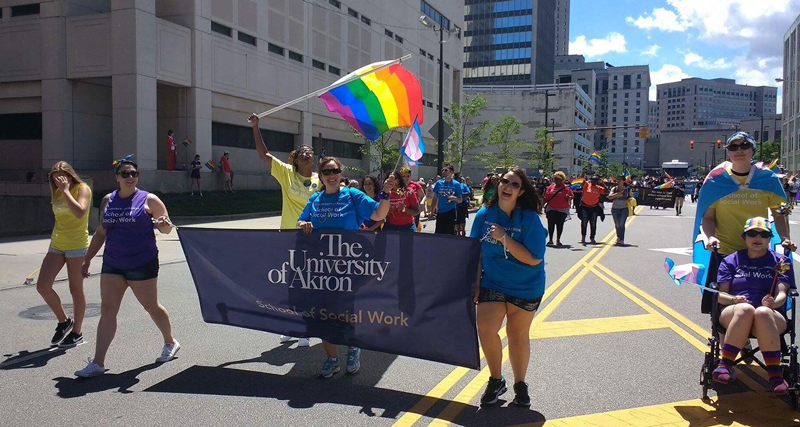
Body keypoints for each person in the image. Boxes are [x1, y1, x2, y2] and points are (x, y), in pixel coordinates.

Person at [76, 157, 179, 377]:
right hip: (113, 262)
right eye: (125, 174)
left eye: (134, 173)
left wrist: (163, 224)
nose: (131, 177)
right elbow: (102, 232)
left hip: (141, 263)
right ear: (117, 178)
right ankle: (98, 363)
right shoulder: (108, 201)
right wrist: (87, 259)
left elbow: (166, 229)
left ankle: (170, 342)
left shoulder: (149, 200)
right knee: (107, 310)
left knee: (151, 307)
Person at [297, 156, 394, 378]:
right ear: (320, 176)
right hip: (319, 268)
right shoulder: (315, 199)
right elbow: (300, 222)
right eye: (327, 172)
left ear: (341, 174)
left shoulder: (352, 196)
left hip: (346, 268)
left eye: (335, 171)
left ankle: (352, 350)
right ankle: (332, 360)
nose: (332, 176)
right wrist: (304, 224)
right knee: (322, 315)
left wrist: (386, 194)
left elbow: (379, 214)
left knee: (345, 312)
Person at [470, 167, 547, 407]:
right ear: (498, 185)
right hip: (493, 282)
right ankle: (496, 379)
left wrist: (505, 238)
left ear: (521, 191)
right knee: (485, 328)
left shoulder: (530, 218)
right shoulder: (485, 214)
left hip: (526, 285)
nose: (508, 187)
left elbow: (534, 258)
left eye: (514, 184)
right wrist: (474, 283)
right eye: (505, 182)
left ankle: (520, 383)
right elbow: (474, 252)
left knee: (517, 335)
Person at [249, 113, 318, 347]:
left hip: (313, 238)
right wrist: (256, 127)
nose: (307, 153)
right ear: (296, 160)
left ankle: (305, 329)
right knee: (291, 283)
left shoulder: (322, 180)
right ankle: (291, 324)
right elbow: (263, 154)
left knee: (307, 284)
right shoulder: (286, 173)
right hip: (289, 236)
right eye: (302, 152)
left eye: (310, 151)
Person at [713, 217, 794, 395]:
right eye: (752, 233)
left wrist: (774, 302)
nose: (758, 238)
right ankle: (724, 365)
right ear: (744, 237)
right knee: (746, 309)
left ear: (769, 238)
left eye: (764, 234)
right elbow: (721, 295)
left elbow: (782, 292)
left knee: (762, 312)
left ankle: (775, 374)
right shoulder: (731, 260)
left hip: (770, 316)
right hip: (735, 311)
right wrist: (734, 300)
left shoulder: (781, 262)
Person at [37, 161, 92, 348]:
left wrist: (67, 190)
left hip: (77, 245)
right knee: (43, 285)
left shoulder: (82, 188)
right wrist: (61, 190)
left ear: (70, 175)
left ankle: (77, 332)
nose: (60, 180)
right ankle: (63, 321)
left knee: (75, 289)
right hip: (57, 244)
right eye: (55, 178)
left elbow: (80, 212)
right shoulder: (56, 191)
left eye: (63, 176)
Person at [543, 171, 573, 247]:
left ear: (562, 179)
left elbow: (571, 196)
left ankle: (558, 240)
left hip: (562, 209)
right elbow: (546, 197)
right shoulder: (550, 187)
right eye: (555, 178)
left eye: (558, 179)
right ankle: (550, 240)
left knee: (560, 224)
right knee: (551, 224)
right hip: (551, 208)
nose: (556, 180)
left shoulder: (566, 188)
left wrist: (568, 197)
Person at [432, 165, 463, 235]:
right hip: (440, 212)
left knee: (449, 233)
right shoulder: (439, 183)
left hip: (451, 211)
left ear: (451, 172)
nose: (443, 172)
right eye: (443, 170)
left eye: (446, 170)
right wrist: (431, 211)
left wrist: (454, 198)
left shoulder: (456, 184)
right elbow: (435, 198)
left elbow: (460, 199)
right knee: (439, 233)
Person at [578, 174, 606, 245]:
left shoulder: (599, 188)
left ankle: (592, 237)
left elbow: (606, 191)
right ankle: (583, 236)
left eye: (595, 180)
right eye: (592, 180)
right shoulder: (587, 185)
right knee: (584, 222)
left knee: (593, 223)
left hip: (594, 207)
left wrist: (602, 183)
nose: (594, 182)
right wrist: (583, 173)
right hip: (585, 207)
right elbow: (582, 181)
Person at [608, 175, 630, 246]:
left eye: (620, 180)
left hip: (624, 208)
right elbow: (610, 197)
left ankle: (622, 239)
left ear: (624, 181)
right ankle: (618, 238)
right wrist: (618, 194)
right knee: (617, 225)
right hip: (615, 209)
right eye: (618, 180)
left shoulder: (627, 189)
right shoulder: (614, 188)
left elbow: (632, 196)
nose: (619, 181)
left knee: (621, 224)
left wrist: (630, 199)